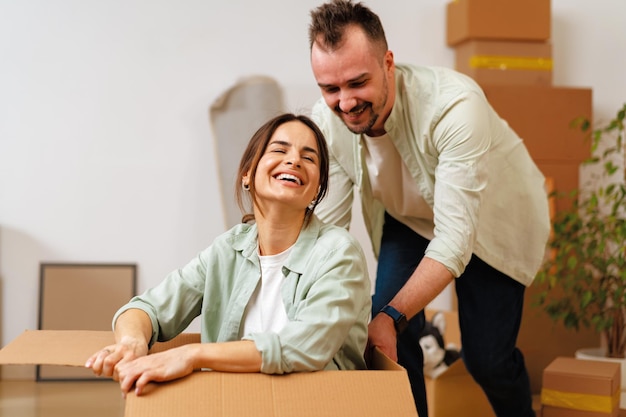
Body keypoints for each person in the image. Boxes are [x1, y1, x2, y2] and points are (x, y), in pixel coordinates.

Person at [307, 1, 551, 416]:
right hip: (410, 220)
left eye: (357, 82)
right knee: (388, 337)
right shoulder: (328, 123)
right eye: (331, 89)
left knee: (487, 361)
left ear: (388, 63)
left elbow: (455, 239)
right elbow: (327, 234)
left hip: (492, 221)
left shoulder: (455, 106)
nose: (345, 102)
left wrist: (387, 315)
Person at [85, 113, 372, 396]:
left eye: (309, 158)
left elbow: (306, 346)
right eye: (279, 150)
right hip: (231, 403)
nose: (294, 160)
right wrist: (132, 342)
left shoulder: (338, 252)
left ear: (317, 189)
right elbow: (148, 308)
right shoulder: (227, 250)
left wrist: (194, 355)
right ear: (247, 173)